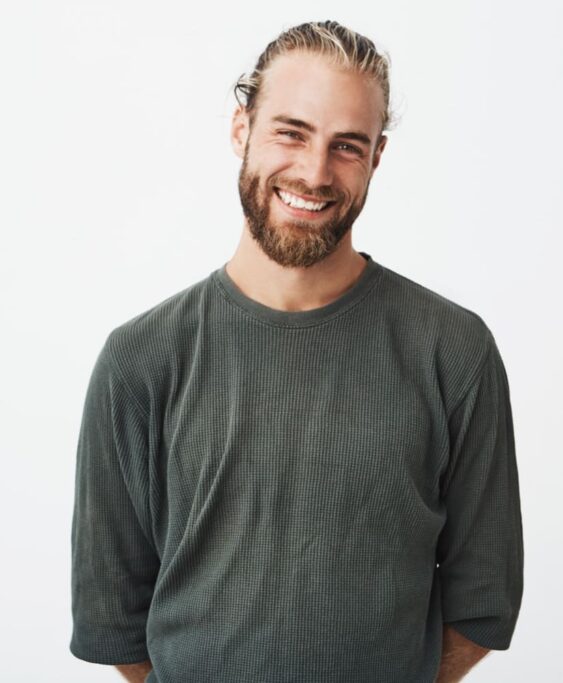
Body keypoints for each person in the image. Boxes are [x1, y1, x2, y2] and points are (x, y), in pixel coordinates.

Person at [69, 21, 524, 683]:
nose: (314, 171)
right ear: (240, 129)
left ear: (377, 157)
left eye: (347, 145)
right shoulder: (140, 360)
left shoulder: (451, 348)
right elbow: (114, 614)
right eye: (291, 131)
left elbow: (482, 598)